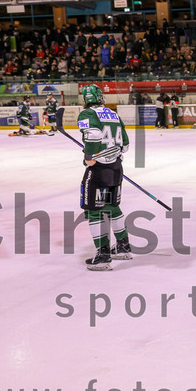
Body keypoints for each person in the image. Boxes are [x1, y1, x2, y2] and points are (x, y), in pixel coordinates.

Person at [77, 84, 132, 270]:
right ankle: (123, 246)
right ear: (101, 97)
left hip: (99, 170)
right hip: (116, 168)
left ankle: (103, 256)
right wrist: (113, 155)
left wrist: (88, 156)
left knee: (94, 210)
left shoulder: (87, 114)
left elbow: (93, 135)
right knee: (112, 206)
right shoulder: (113, 114)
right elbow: (125, 145)